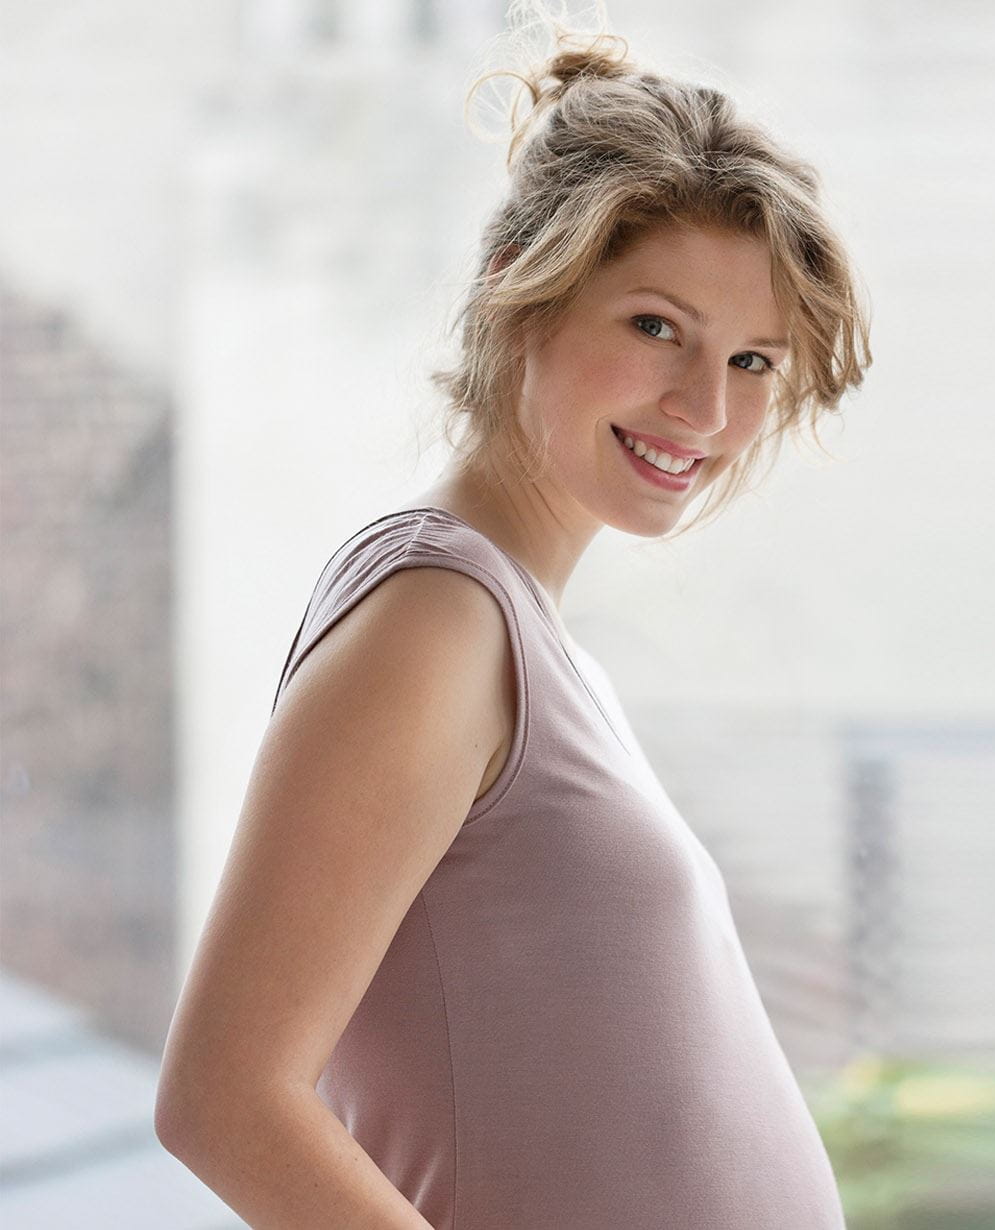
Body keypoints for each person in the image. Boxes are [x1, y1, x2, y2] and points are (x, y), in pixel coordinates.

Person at [153, 11, 872, 1227]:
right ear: (519, 295)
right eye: (656, 327)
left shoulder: (528, 641)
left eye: (753, 361)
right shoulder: (435, 620)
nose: (703, 405)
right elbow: (225, 1100)